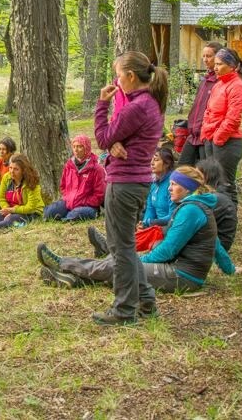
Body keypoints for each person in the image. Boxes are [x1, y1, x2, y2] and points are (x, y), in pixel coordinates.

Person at [36, 167, 241, 293]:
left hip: (182, 277)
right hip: (181, 272)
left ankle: (63, 264)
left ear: (187, 188)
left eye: (175, 185)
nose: (169, 188)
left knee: (120, 267)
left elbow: (168, 250)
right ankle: (73, 279)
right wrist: (230, 270)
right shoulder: (198, 207)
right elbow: (215, 245)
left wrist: (136, 260)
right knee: (117, 264)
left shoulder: (191, 211)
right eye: (169, 184)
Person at [92, 50, 168, 326]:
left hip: (125, 183)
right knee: (125, 246)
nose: (116, 81)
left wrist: (102, 105)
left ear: (131, 76)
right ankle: (146, 300)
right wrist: (113, 143)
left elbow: (102, 137)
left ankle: (124, 309)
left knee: (120, 249)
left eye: (119, 75)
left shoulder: (137, 107)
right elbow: (115, 139)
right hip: (135, 181)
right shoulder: (149, 104)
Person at [200, 47, 242, 203]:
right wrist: (205, 132)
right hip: (211, 138)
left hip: (227, 142)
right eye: (215, 64)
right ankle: (216, 219)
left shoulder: (238, 86)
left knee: (225, 185)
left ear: (232, 66)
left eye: (220, 64)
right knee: (211, 183)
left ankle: (229, 221)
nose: (215, 67)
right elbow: (209, 111)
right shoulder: (218, 85)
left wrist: (219, 137)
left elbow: (233, 117)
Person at [43, 135, 106, 223]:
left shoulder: (97, 168)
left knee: (75, 214)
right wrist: (68, 198)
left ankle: (71, 216)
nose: (76, 150)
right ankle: (66, 215)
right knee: (49, 212)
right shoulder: (69, 165)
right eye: (74, 146)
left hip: (88, 206)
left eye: (80, 147)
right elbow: (63, 186)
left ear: (86, 148)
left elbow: (99, 195)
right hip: (69, 203)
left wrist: (83, 201)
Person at [179, 42, 222, 166]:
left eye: (209, 56)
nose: (205, 59)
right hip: (193, 133)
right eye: (203, 56)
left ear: (218, 58)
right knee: (182, 170)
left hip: (206, 135)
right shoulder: (205, 79)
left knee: (206, 174)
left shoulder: (219, 81)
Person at [196, 157, 238, 251]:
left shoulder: (216, 198)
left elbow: (197, 222)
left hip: (216, 247)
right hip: (208, 241)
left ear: (207, 176)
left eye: (197, 175)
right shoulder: (210, 194)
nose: (194, 178)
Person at [141, 146, 176, 228]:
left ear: (167, 163)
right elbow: (150, 208)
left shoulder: (173, 184)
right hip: (156, 225)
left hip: (169, 226)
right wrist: (144, 223)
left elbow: (173, 216)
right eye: (151, 160)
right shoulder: (154, 183)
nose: (152, 163)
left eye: (156, 160)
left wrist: (150, 222)